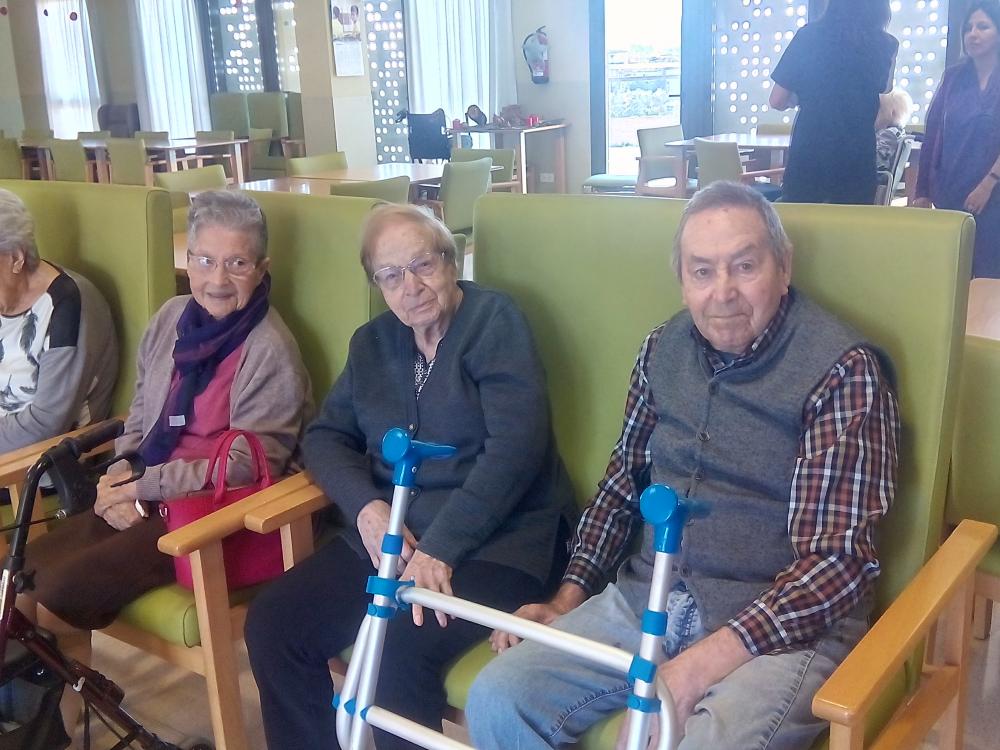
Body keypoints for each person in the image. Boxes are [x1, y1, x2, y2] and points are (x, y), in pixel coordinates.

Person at [465, 181, 900, 749]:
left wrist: (693, 668)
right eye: (702, 271)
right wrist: (566, 599)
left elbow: (837, 562)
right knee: (498, 697)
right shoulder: (660, 348)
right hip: (648, 598)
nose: (723, 292)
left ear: (784, 266)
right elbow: (622, 486)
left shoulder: (843, 370)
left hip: (782, 629)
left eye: (745, 266)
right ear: (682, 280)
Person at [244, 204, 576, 750]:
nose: (411, 287)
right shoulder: (372, 344)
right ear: (377, 284)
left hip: (498, 545)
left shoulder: (494, 323)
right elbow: (325, 437)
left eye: (423, 264)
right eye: (390, 275)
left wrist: (440, 548)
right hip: (395, 537)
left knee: (393, 659)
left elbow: (516, 453)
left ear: (451, 260)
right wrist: (367, 509)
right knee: (274, 624)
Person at [20, 190, 310, 736]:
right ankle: (52, 724)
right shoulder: (171, 318)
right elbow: (141, 413)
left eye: (237, 263)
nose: (217, 279)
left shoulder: (270, 349)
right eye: (205, 260)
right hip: (148, 491)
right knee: (22, 580)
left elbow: (250, 463)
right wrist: (119, 472)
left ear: (261, 268)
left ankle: (65, 728)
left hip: (209, 514)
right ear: (188, 260)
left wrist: (145, 487)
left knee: (58, 598)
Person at [0, 188, 117, 452]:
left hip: (40, 461)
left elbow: (45, 425)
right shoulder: (6, 293)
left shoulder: (67, 306)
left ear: (16, 257)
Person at [769, 0, 898, 204]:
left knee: (804, 218)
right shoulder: (887, 44)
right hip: (858, 154)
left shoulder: (807, 36)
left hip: (810, 149)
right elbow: (886, 88)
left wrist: (802, 97)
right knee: (851, 219)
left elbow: (777, 100)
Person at [914, 0, 1000, 278]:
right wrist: (922, 191)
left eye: (983, 27)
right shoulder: (953, 78)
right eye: (968, 28)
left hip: (993, 193)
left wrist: (988, 184)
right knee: (951, 274)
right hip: (951, 189)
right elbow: (931, 135)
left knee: (988, 276)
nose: (973, 34)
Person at [875, 87, 914, 173]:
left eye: (879, 110)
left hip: (878, 175)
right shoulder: (898, 133)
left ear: (892, 113)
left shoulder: (888, 135)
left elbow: (877, 159)